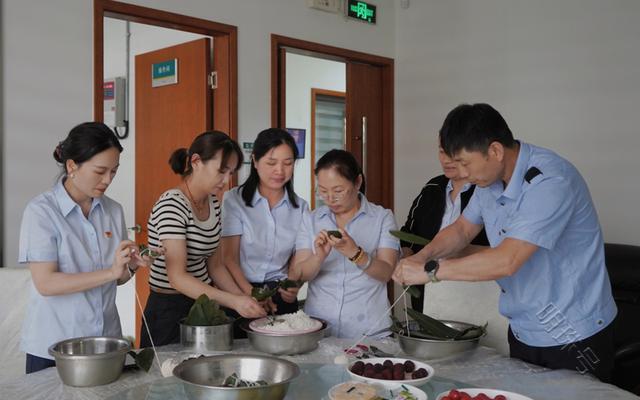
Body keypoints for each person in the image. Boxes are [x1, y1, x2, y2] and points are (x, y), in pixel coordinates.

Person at [393, 103, 617, 382]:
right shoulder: (489, 182)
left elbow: (507, 260)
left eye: (465, 163)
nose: (462, 173)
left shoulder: (550, 182)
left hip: (572, 333)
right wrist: (420, 257)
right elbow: (462, 230)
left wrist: (430, 271)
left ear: (495, 151)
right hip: (524, 327)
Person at [18, 122, 147, 374]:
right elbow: (46, 284)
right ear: (71, 166)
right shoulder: (42, 212)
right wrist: (110, 272)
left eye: (114, 171)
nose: (107, 180)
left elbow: (117, 279)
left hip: (106, 344)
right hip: (55, 347)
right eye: (100, 171)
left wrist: (130, 266)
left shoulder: (113, 210)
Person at [140, 131, 266, 347]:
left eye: (231, 173)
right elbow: (177, 277)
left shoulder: (213, 204)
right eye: (221, 171)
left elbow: (216, 267)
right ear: (196, 162)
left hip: (203, 305)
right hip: (168, 310)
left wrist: (245, 300)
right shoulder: (172, 205)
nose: (226, 181)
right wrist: (234, 301)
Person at [290, 149, 399, 338]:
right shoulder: (311, 220)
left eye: (338, 190)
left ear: (357, 182)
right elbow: (297, 274)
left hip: (370, 329)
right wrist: (318, 257)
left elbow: (386, 272)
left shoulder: (382, 218)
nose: (330, 198)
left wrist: (356, 254)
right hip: (319, 327)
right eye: (323, 191)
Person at [221, 128, 308, 315]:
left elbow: (298, 257)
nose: (279, 171)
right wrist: (254, 295)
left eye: (288, 163)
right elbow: (229, 258)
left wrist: (293, 285)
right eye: (271, 163)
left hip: (281, 294)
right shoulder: (234, 200)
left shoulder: (300, 207)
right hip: (240, 292)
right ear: (254, 161)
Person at [400, 145, 489, 311]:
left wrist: (460, 252)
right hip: (427, 289)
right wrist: (408, 260)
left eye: (454, 152)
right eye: (442, 151)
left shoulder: (487, 190)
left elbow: (501, 248)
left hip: (474, 291)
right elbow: (409, 233)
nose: (447, 159)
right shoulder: (432, 188)